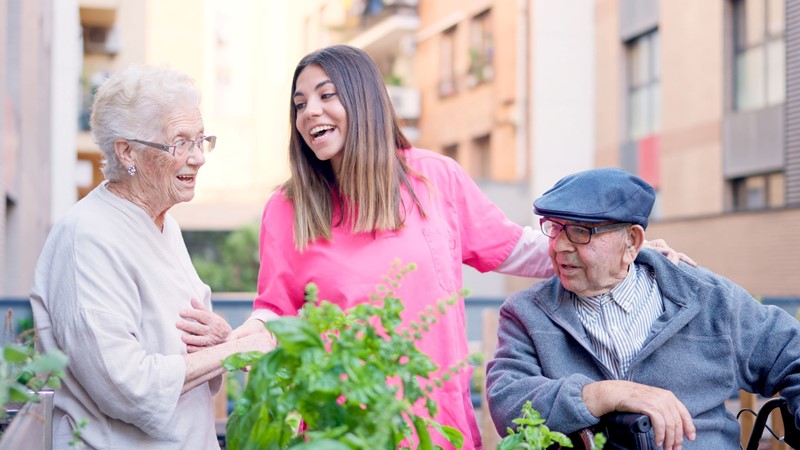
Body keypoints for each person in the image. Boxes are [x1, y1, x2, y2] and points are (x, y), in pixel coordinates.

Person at [227, 45, 691, 450]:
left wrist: (632, 252)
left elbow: (519, 249)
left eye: (327, 95)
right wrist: (230, 343)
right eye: (300, 103)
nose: (310, 111)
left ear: (364, 100)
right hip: (343, 429)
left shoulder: (433, 178)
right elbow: (274, 310)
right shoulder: (287, 208)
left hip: (435, 425)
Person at [29, 65, 273, 449]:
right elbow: (124, 384)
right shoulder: (87, 237)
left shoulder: (164, 225)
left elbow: (178, 344)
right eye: (180, 143)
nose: (198, 158)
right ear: (128, 152)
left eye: (201, 140)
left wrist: (218, 340)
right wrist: (233, 351)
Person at [485, 167, 800, 450]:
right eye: (554, 227)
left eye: (581, 231)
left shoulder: (706, 299)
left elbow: (792, 354)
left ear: (632, 242)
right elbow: (508, 404)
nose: (559, 245)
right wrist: (603, 395)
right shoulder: (526, 313)